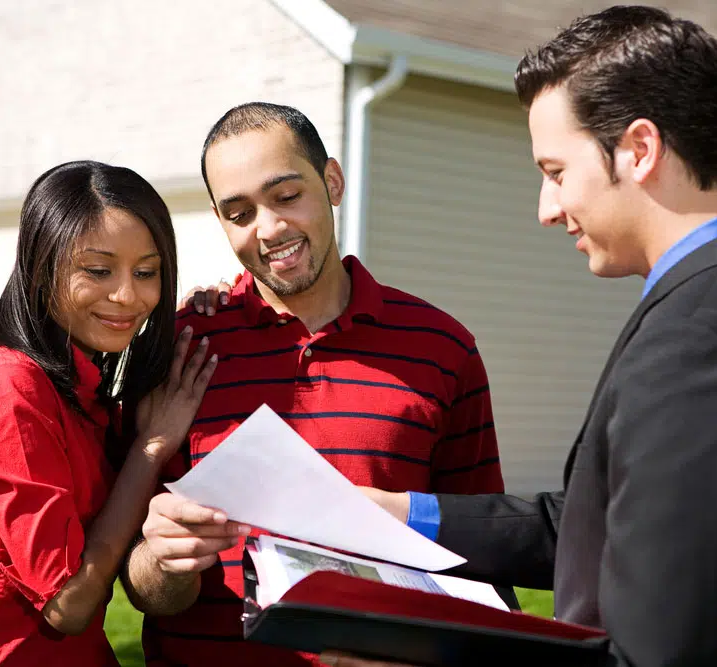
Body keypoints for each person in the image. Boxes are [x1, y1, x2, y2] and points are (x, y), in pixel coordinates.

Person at [327, 5, 717, 667]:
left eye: (555, 172)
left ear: (639, 150)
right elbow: (607, 527)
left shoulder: (699, 346)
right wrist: (402, 514)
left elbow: (653, 656)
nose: (546, 209)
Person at [120, 103, 507, 666]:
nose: (270, 229)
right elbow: (139, 584)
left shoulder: (443, 348)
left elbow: (484, 556)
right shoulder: (180, 346)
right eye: (239, 212)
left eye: (286, 196)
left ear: (332, 181)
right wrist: (162, 559)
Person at [0, 160, 217, 666]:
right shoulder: (5, 385)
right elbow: (66, 605)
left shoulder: (80, 384)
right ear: (41, 265)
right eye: (98, 270)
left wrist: (207, 313)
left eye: (146, 272)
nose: (127, 296)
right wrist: (151, 447)